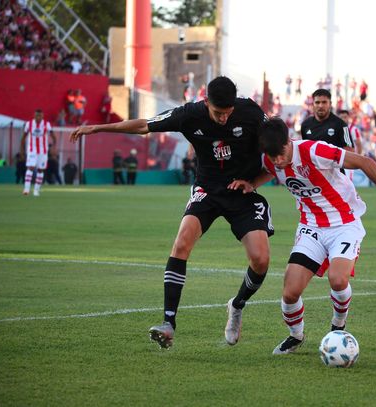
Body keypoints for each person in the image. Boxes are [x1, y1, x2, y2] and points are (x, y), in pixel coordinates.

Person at [69, 76, 274, 349]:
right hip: (207, 190)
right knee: (182, 243)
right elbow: (144, 125)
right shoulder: (189, 114)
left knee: (260, 260)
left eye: (227, 114)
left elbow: (279, 145)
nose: (223, 119)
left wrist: (255, 182)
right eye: (217, 113)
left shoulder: (250, 111)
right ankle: (168, 324)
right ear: (206, 103)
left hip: (242, 193)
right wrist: (98, 128)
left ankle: (236, 306)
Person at [228, 117, 376, 354]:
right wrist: (252, 183)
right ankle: (296, 336)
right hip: (311, 228)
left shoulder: (314, 151)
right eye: (272, 157)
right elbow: (271, 170)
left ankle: (338, 325)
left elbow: (366, 163)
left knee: (338, 279)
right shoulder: (271, 159)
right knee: (290, 292)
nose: (278, 161)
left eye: (281, 154)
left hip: (344, 224)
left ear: (288, 141)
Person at [301, 89, 354, 154]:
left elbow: (350, 151)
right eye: (317, 102)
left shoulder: (341, 125)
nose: (320, 106)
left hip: (333, 164)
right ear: (313, 104)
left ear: (330, 104)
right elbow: (304, 150)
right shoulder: (305, 125)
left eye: (324, 102)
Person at [21, 109, 56, 196]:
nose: (38, 117)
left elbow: (54, 137)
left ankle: (36, 190)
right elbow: (23, 137)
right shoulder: (28, 124)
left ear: (42, 116)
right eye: (36, 115)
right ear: (34, 115)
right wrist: (21, 150)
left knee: (40, 170)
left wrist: (53, 148)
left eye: (40, 115)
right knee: (31, 167)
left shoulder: (46, 124)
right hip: (32, 150)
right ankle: (26, 189)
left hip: (43, 151)